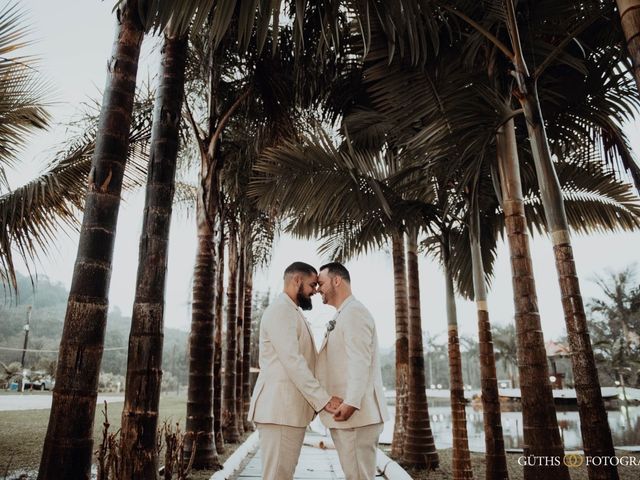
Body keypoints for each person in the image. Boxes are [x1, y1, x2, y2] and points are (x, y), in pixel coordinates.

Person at [247, 261, 342, 480]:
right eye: (311, 285)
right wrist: (324, 399)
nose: (315, 291)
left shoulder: (291, 310)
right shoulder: (281, 311)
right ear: (296, 280)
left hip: (286, 413)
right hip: (280, 411)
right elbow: (293, 362)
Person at [316, 262, 390, 480]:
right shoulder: (344, 313)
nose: (318, 288)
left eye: (321, 282)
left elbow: (360, 361)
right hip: (351, 418)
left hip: (356, 417)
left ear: (336, 280)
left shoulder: (354, 313)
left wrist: (351, 403)